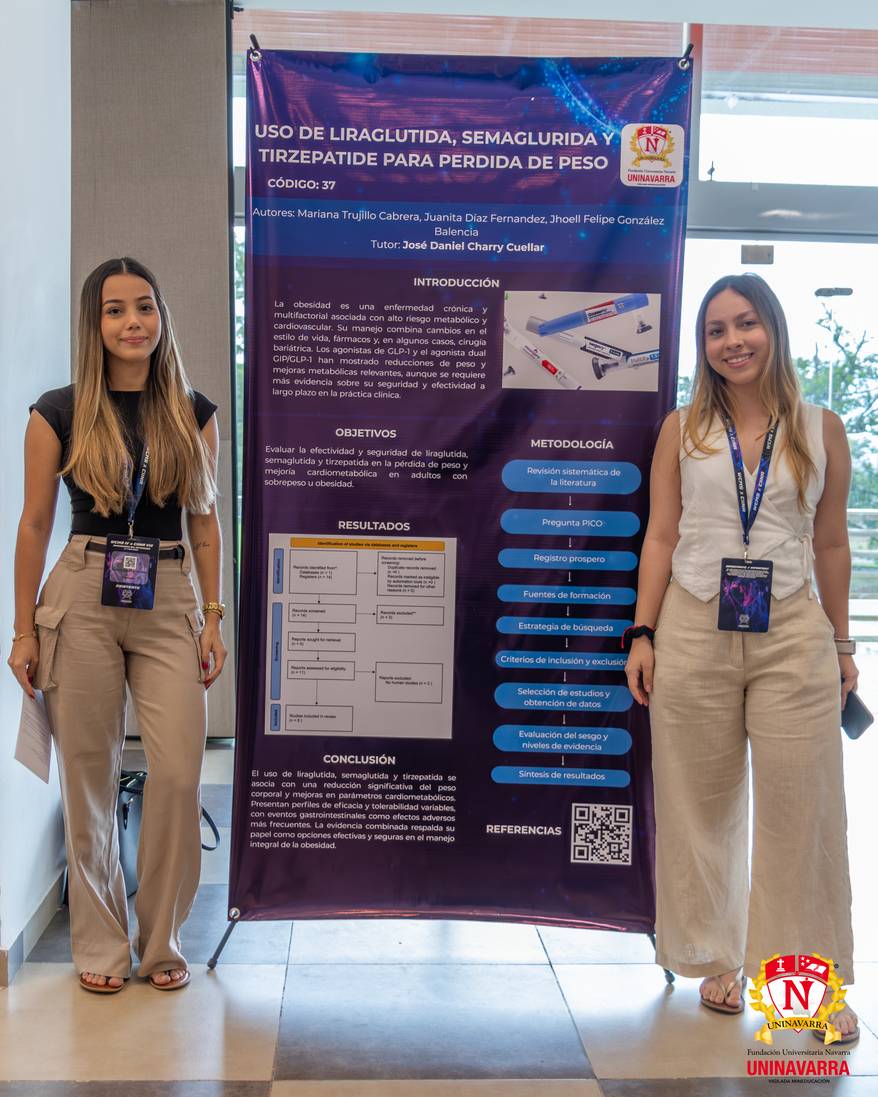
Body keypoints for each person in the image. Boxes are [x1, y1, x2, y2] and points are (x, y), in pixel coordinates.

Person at [624, 273, 859, 1041]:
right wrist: (642, 633)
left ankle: (807, 985)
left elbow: (831, 543)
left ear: (773, 329)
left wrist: (843, 644)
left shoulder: (821, 428)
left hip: (792, 628)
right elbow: (661, 535)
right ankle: (716, 957)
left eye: (746, 323)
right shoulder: (682, 428)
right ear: (704, 346)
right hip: (693, 625)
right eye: (717, 329)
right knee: (700, 803)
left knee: (803, 810)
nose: (733, 341)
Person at [7, 257, 227, 994]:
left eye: (145, 306)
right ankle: (102, 946)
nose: (133, 322)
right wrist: (23, 630)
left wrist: (213, 617)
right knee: (89, 777)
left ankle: (161, 941)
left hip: (169, 594)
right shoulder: (57, 411)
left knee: (177, 772)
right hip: (82, 591)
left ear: (161, 315)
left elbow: (204, 524)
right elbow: (33, 525)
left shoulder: (193, 411)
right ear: (94, 323)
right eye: (115, 310)